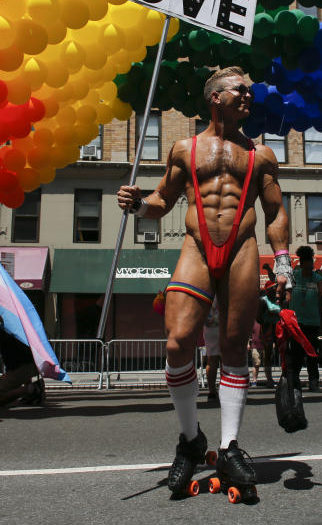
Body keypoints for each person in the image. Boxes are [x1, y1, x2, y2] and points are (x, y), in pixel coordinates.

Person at [116, 66, 290, 496]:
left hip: (241, 247)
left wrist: (283, 263)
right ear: (216, 97)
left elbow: (276, 211)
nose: (249, 97)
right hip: (195, 246)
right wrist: (137, 205)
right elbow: (161, 201)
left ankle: (230, 447)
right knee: (178, 342)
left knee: (234, 347)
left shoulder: (261, 155)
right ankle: (191, 439)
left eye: (250, 92)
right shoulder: (184, 148)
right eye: (241, 91)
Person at [288, 245, 322, 391]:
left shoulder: (317, 277)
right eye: (307, 265)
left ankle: (314, 382)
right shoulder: (294, 275)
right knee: (296, 353)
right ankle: (294, 382)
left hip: (312, 321)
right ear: (301, 263)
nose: (311, 268)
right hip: (296, 322)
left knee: (312, 353)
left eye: (312, 264)